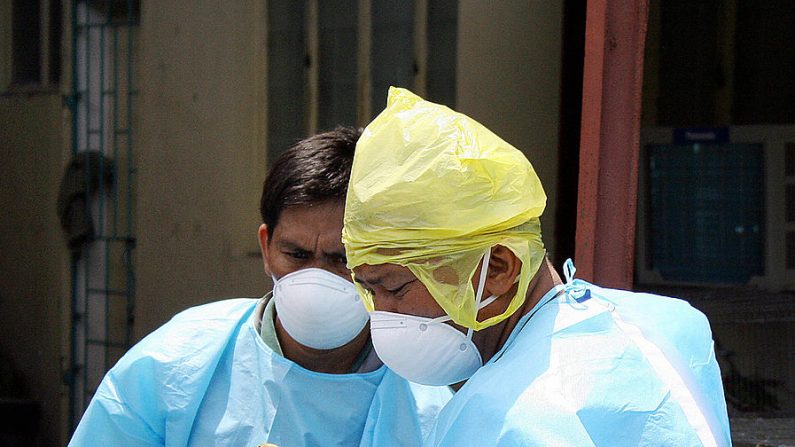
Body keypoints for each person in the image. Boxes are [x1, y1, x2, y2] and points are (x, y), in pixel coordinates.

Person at [342, 88, 732, 446]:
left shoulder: (501, 417)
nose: (383, 315)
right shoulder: (670, 323)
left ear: (498, 267)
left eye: (394, 288)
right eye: (369, 291)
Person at [69, 127, 452, 446]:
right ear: (266, 247)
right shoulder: (174, 366)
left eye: (341, 260)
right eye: (297, 255)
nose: (316, 279)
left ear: (382, 263)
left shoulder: (430, 395)